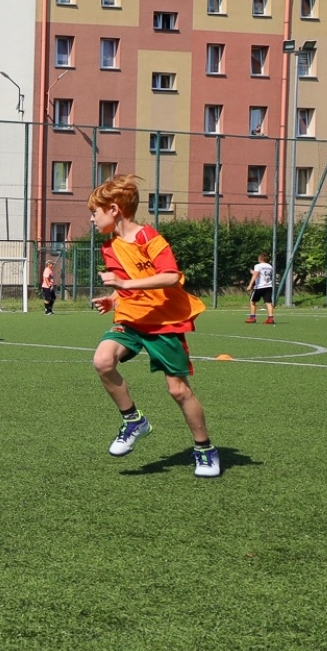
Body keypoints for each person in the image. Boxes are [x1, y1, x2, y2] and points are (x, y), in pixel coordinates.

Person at [87, 174, 218, 478]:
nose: (93, 218)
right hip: (131, 319)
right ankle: (133, 420)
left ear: (114, 209)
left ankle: (204, 449)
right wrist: (114, 299)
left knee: (179, 391)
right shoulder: (109, 248)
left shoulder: (149, 238)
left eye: (95, 212)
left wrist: (123, 283)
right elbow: (127, 288)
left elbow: (171, 276)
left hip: (164, 321)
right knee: (103, 361)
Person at [245, 251, 275, 324]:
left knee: (252, 302)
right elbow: (262, 275)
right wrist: (254, 272)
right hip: (268, 286)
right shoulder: (270, 266)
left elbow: (255, 275)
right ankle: (270, 318)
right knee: (268, 302)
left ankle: (252, 318)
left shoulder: (258, 266)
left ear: (260, 258)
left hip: (259, 287)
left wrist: (250, 285)